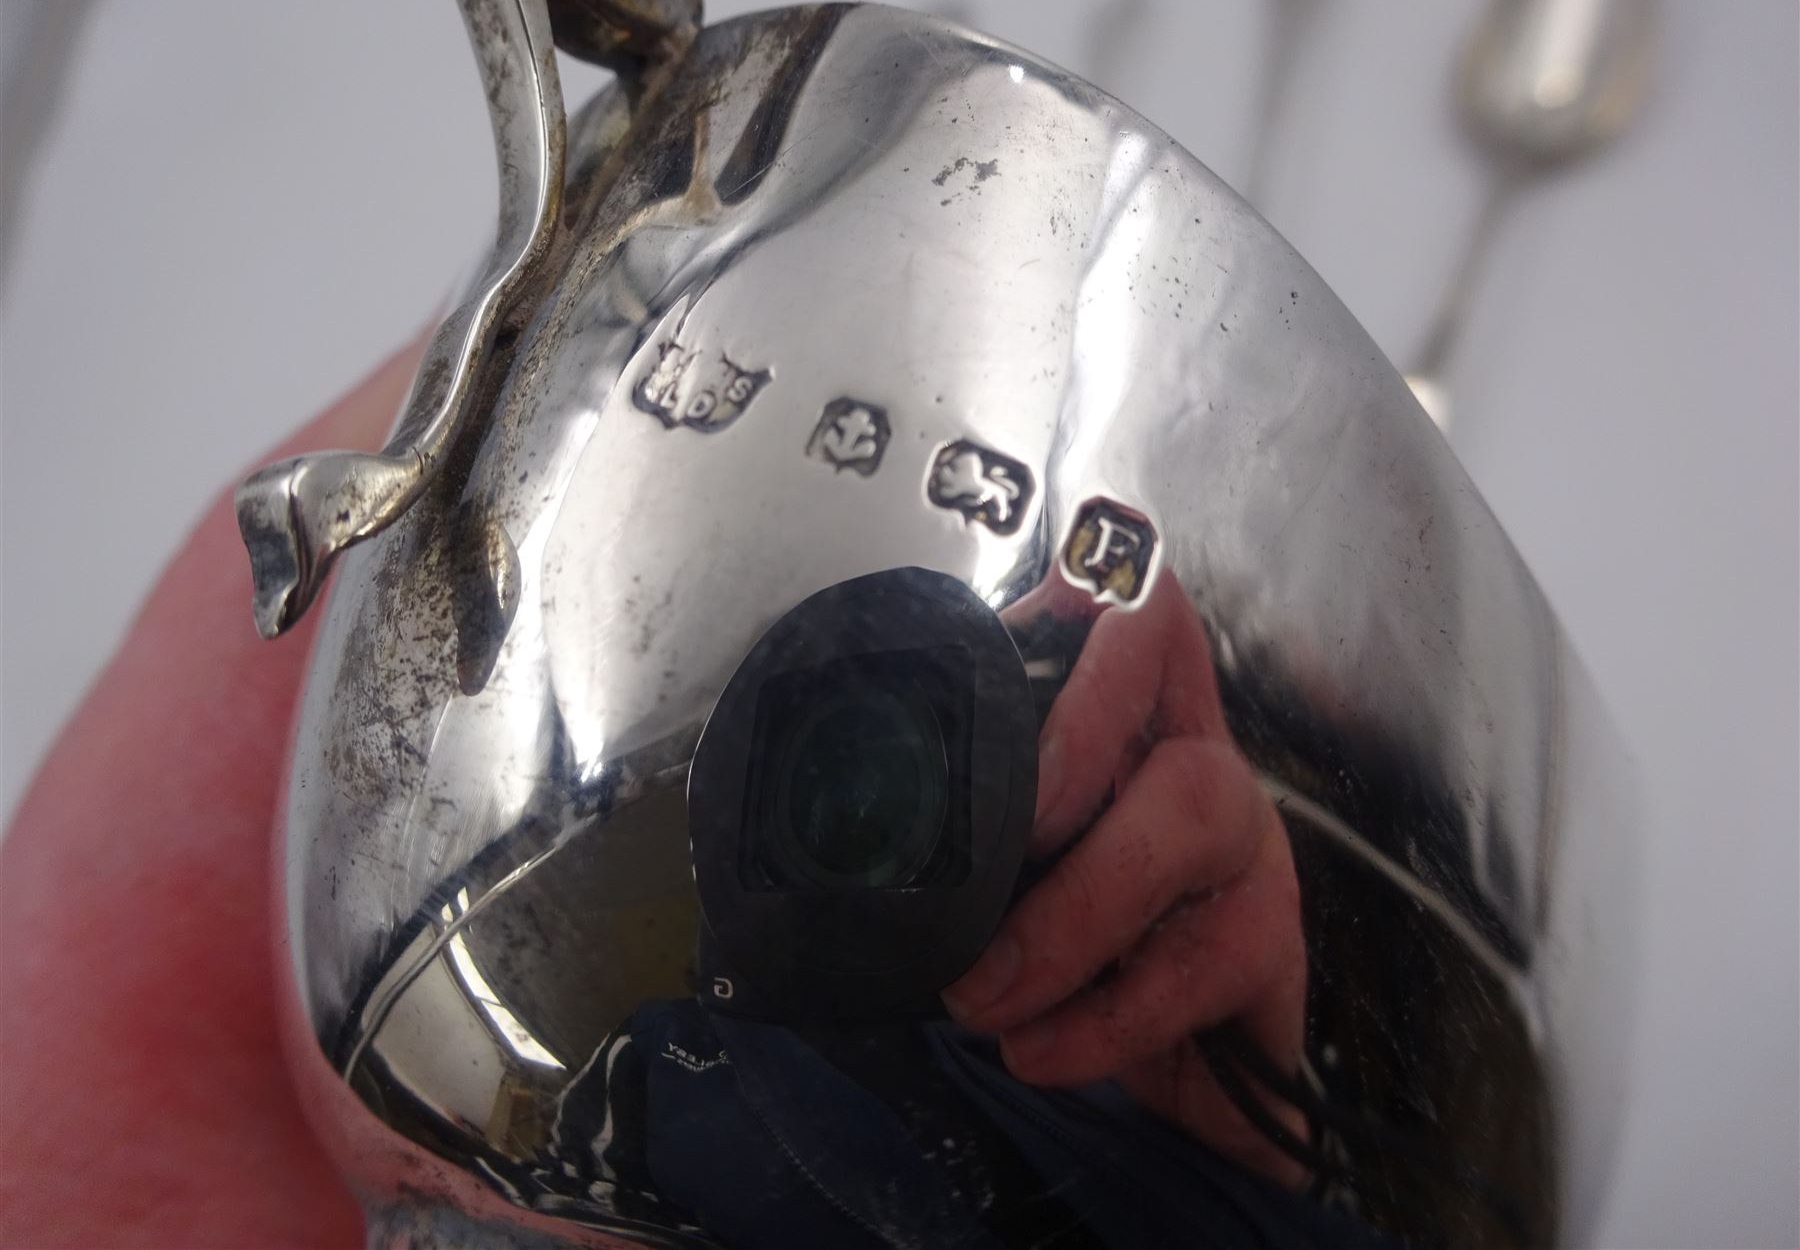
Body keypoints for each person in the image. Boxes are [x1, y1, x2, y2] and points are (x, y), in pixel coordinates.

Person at [0, 347, 1329, 1247]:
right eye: (827, 774)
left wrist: (1233, 1167)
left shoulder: (1093, 1028)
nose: (868, 810)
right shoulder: (629, 1114)